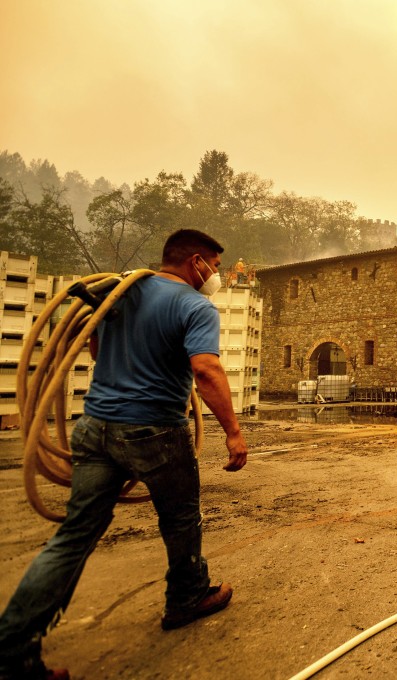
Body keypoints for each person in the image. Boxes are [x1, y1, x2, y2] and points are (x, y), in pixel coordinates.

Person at [0, 229, 249, 680]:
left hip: (95, 427)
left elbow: (96, 349)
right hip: (155, 430)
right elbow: (206, 370)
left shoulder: (120, 294)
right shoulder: (195, 306)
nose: (217, 276)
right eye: (215, 266)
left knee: (74, 536)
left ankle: (12, 650)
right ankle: (187, 597)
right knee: (181, 518)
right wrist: (233, 432)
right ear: (195, 262)